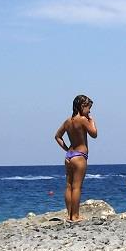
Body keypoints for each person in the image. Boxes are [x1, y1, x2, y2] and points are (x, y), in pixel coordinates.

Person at [54, 94, 97, 222]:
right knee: (77, 187)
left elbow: (57, 136)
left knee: (68, 186)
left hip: (69, 156)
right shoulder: (83, 120)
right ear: (82, 106)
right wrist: (92, 121)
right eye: (88, 108)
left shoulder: (68, 121)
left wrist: (67, 149)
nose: (89, 111)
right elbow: (94, 134)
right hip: (79, 156)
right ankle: (75, 216)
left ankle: (69, 215)